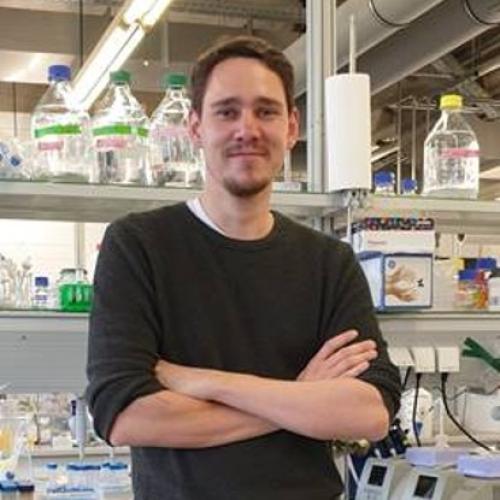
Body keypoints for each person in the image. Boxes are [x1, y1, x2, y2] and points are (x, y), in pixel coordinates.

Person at [86, 35, 401, 500]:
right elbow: (124, 415)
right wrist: (299, 395)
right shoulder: (139, 246)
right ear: (196, 128)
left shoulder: (328, 262)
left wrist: (209, 383)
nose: (247, 129)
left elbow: (370, 412)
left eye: (266, 111)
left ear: (291, 128)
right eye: (227, 111)